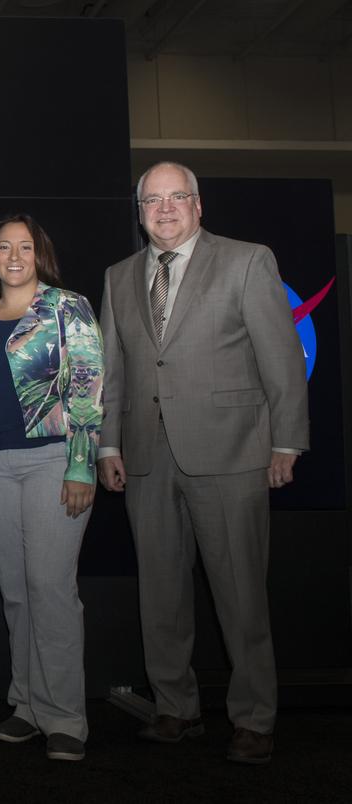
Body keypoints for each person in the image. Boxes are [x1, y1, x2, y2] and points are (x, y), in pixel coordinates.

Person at [98, 161, 309, 765]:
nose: (165, 209)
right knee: (160, 593)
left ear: (199, 204)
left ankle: (253, 718)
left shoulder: (247, 260)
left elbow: (282, 360)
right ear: (139, 213)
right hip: (145, 457)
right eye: (152, 201)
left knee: (240, 593)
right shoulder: (118, 277)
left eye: (177, 198)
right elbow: (114, 373)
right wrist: (109, 445)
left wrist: (287, 442)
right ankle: (175, 708)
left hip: (232, 450)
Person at [0, 214, 104, 762]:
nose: (13, 255)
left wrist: (82, 464)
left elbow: (87, 385)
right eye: (2, 247)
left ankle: (65, 717)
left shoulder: (68, 308)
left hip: (52, 462)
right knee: (16, 594)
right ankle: (27, 706)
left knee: (51, 591)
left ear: (39, 254)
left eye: (24, 246)